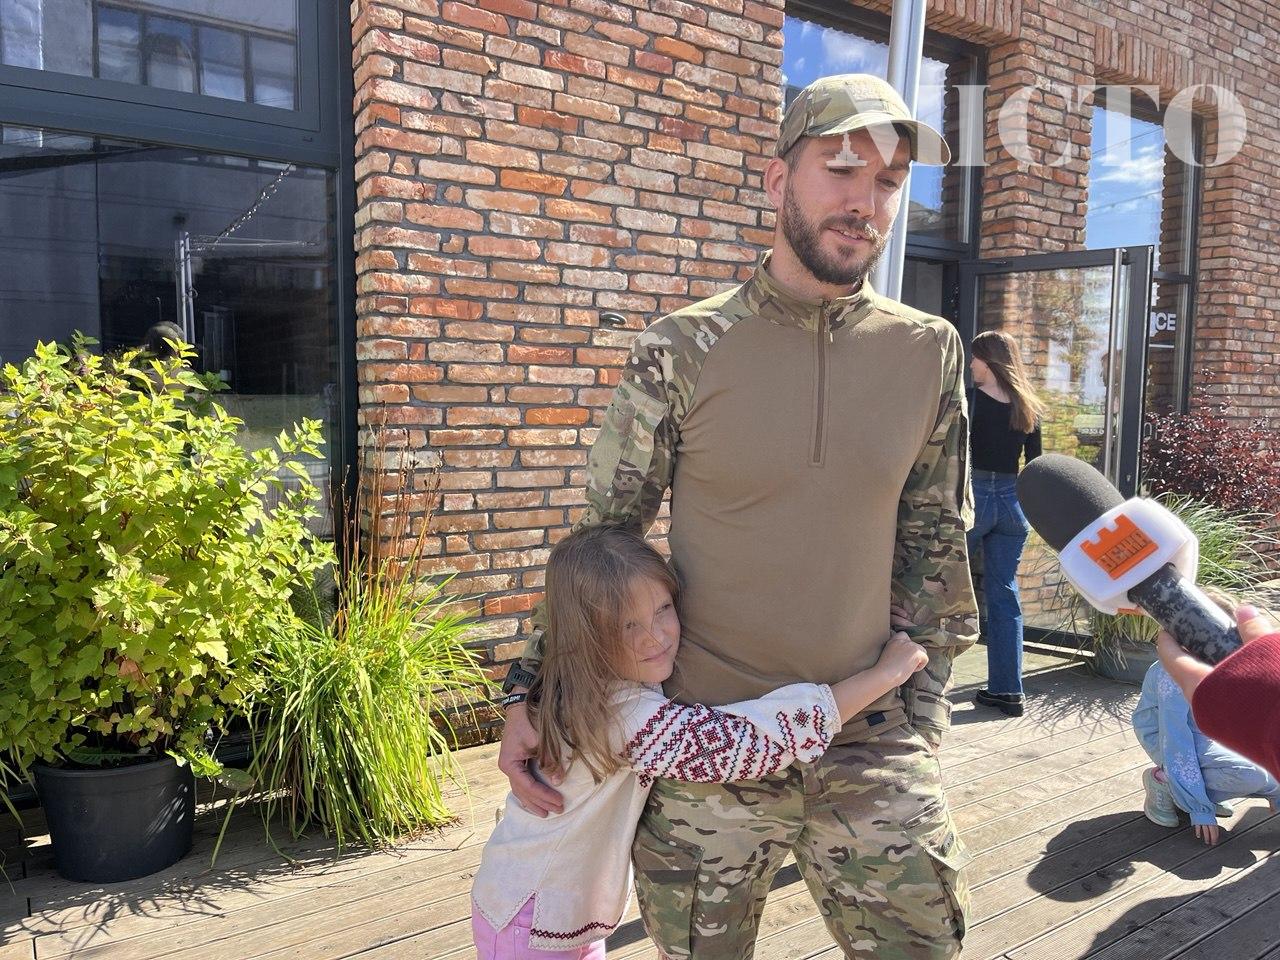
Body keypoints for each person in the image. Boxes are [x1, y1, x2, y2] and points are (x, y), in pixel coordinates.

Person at [497, 73, 978, 959]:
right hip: (706, 742)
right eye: (842, 169)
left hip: (869, 736)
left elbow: (936, 536)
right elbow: (603, 537)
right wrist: (535, 691)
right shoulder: (681, 348)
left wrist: (923, 714)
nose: (865, 201)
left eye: (888, 181)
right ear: (777, 179)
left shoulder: (928, 349)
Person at [471, 525, 931, 958]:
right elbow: (739, 745)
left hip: (548, 908)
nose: (654, 637)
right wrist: (883, 675)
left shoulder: (584, 676)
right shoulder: (619, 715)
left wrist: (863, 618)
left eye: (662, 609)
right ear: (585, 635)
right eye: (626, 626)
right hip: (531, 919)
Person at [965, 330, 1043, 717]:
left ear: (989, 360)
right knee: (1005, 596)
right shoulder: (1028, 405)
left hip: (974, 499)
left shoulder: (970, 400)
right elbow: (1036, 467)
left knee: (940, 588)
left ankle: (922, 689)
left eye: (975, 357)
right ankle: (1008, 692)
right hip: (1013, 505)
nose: (971, 364)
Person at [1132, 656, 1280, 846]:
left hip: (1210, 732)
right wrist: (1199, 807)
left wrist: (1275, 788)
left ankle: (1199, 790)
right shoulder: (1172, 672)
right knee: (1253, 775)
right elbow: (1175, 740)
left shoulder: (1224, 653)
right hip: (1167, 735)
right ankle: (1165, 782)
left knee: (1268, 772)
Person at [1158, 605, 1280, 780]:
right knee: (1256, 777)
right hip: (1179, 750)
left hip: (1226, 747)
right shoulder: (1172, 677)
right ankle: (1161, 783)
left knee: (1260, 777)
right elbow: (1175, 742)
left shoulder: (1189, 675)